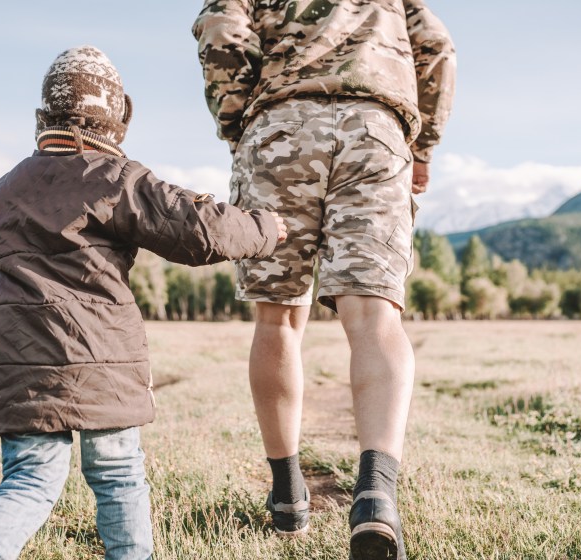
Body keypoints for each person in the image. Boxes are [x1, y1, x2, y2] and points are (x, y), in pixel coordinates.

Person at [0, 45, 286, 560]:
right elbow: (197, 228)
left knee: (29, 482)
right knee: (119, 477)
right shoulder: (115, 177)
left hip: (19, 367)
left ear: (45, 116)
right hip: (102, 361)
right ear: (114, 118)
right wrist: (264, 228)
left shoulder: (5, 187)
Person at [193, 1, 455, 558]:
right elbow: (435, 49)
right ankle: (377, 496)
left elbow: (222, 28)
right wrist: (423, 144)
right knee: (374, 312)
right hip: (375, 126)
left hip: (280, 125)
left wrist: (240, 120)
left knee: (279, 316)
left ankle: (287, 496)